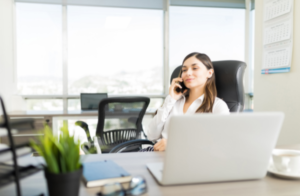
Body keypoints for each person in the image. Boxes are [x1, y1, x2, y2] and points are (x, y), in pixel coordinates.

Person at [145, 52, 230, 152]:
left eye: (195, 68)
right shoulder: (173, 102)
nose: (188, 73)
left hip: (193, 161)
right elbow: (151, 135)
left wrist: (174, 144)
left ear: (209, 73)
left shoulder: (217, 106)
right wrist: (171, 99)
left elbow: (222, 144)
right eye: (184, 70)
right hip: (157, 156)